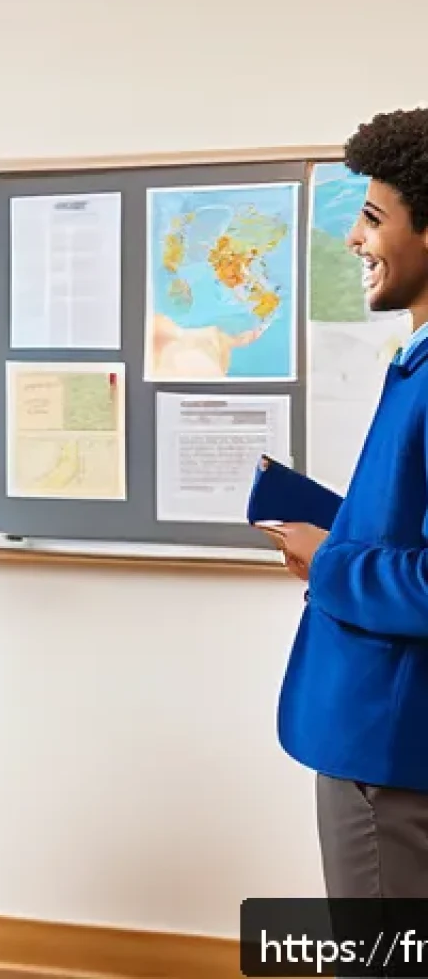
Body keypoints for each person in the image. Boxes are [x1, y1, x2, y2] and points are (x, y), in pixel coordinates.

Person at [264, 108, 428, 910]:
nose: (354, 239)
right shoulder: (414, 363)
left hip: (390, 749)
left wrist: (328, 559)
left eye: (372, 217)